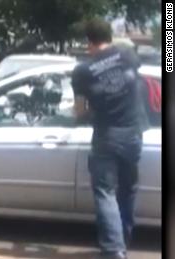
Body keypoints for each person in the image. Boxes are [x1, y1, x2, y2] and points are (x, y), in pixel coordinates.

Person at [71, 18, 148, 259]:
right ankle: (123, 239)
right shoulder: (128, 56)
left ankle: (114, 250)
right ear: (110, 37)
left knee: (105, 192)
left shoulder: (82, 70)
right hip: (134, 134)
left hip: (106, 137)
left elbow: (80, 111)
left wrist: (83, 111)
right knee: (128, 188)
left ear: (88, 42)